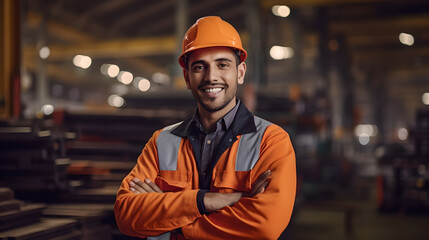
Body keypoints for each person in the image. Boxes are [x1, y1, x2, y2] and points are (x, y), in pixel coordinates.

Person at [114, 16, 296, 240]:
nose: (211, 77)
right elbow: (125, 213)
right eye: (200, 67)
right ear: (187, 77)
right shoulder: (162, 141)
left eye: (222, 65)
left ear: (240, 73)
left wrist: (175, 224)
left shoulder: (271, 141)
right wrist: (205, 200)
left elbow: (264, 226)